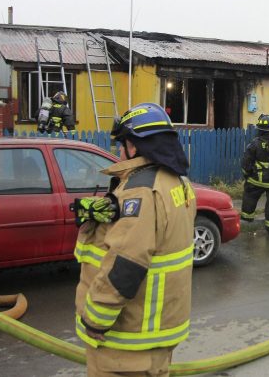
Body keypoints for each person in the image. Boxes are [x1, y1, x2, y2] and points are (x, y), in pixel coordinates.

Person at [73, 102, 195, 377]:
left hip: (127, 340)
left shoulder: (140, 191)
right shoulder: (178, 182)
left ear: (136, 146)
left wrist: (96, 320)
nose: (118, 150)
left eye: (122, 143)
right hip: (160, 328)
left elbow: (126, 263)